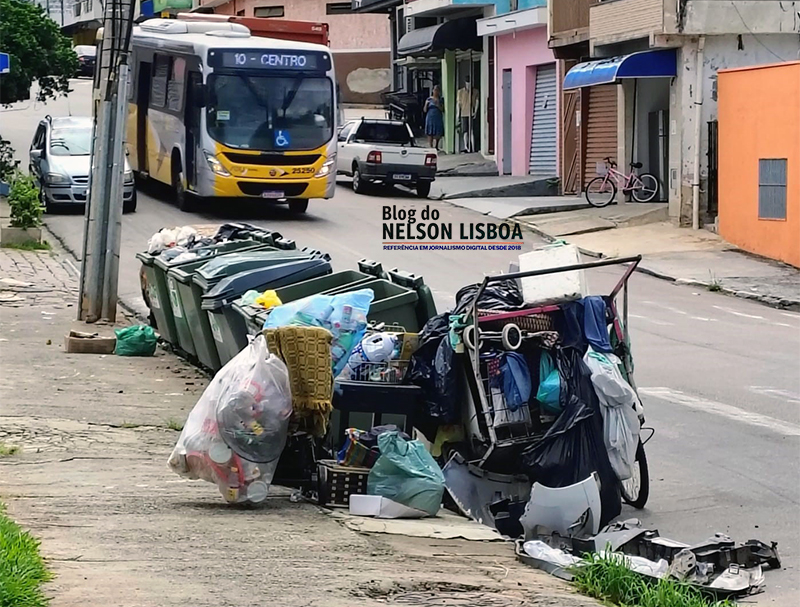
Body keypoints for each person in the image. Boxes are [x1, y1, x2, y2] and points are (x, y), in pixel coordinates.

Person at [424, 85, 445, 150]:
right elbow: (424, 110)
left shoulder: (440, 99)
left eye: (437, 90)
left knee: (438, 130)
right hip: (430, 116)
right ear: (432, 91)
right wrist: (426, 105)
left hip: (437, 116)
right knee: (430, 131)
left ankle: (436, 145)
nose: (435, 92)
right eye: (434, 90)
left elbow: (442, 109)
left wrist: (437, 105)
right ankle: (431, 146)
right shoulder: (429, 99)